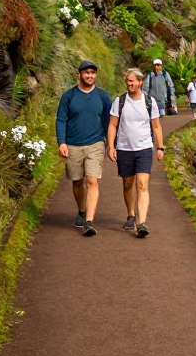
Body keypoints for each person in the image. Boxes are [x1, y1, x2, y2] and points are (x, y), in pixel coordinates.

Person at [55, 61, 112, 237]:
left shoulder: (102, 96)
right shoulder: (68, 96)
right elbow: (61, 119)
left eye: (93, 73)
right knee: (77, 181)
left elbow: (109, 122)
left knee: (92, 181)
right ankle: (81, 209)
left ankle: (89, 221)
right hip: (73, 144)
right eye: (86, 73)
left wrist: (110, 143)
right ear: (79, 74)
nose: (90, 76)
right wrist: (62, 142)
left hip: (96, 143)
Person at [107, 68, 163, 238]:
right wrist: (111, 146)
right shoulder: (120, 101)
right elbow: (112, 125)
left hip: (144, 149)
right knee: (127, 184)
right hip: (124, 149)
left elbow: (156, 126)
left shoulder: (149, 102)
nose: (130, 84)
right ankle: (131, 214)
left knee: (142, 184)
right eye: (128, 81)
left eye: (133, 81)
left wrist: (160, 147)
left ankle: (142, 223)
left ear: (140, 82)